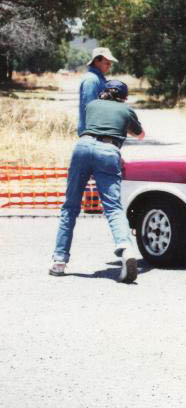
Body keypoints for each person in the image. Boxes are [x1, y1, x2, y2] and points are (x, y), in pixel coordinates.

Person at [50, 80, 146, 283]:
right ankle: (126, 248)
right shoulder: (125, 110)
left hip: (83, 147)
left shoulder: (91, 105)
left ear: (104, 93)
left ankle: (59, 261)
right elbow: (140, 135)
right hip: (109, 152)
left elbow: (92, 126)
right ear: (124, 97)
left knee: (70, 207)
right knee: (113, 208)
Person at [78, 47, 118, 136]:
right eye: (107, 63)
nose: (109, 66)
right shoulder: (91, 80)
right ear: (96, 61)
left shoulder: (99, 78)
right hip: (92, 133)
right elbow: (90, 108)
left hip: (98, 131)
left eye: (110, 63)